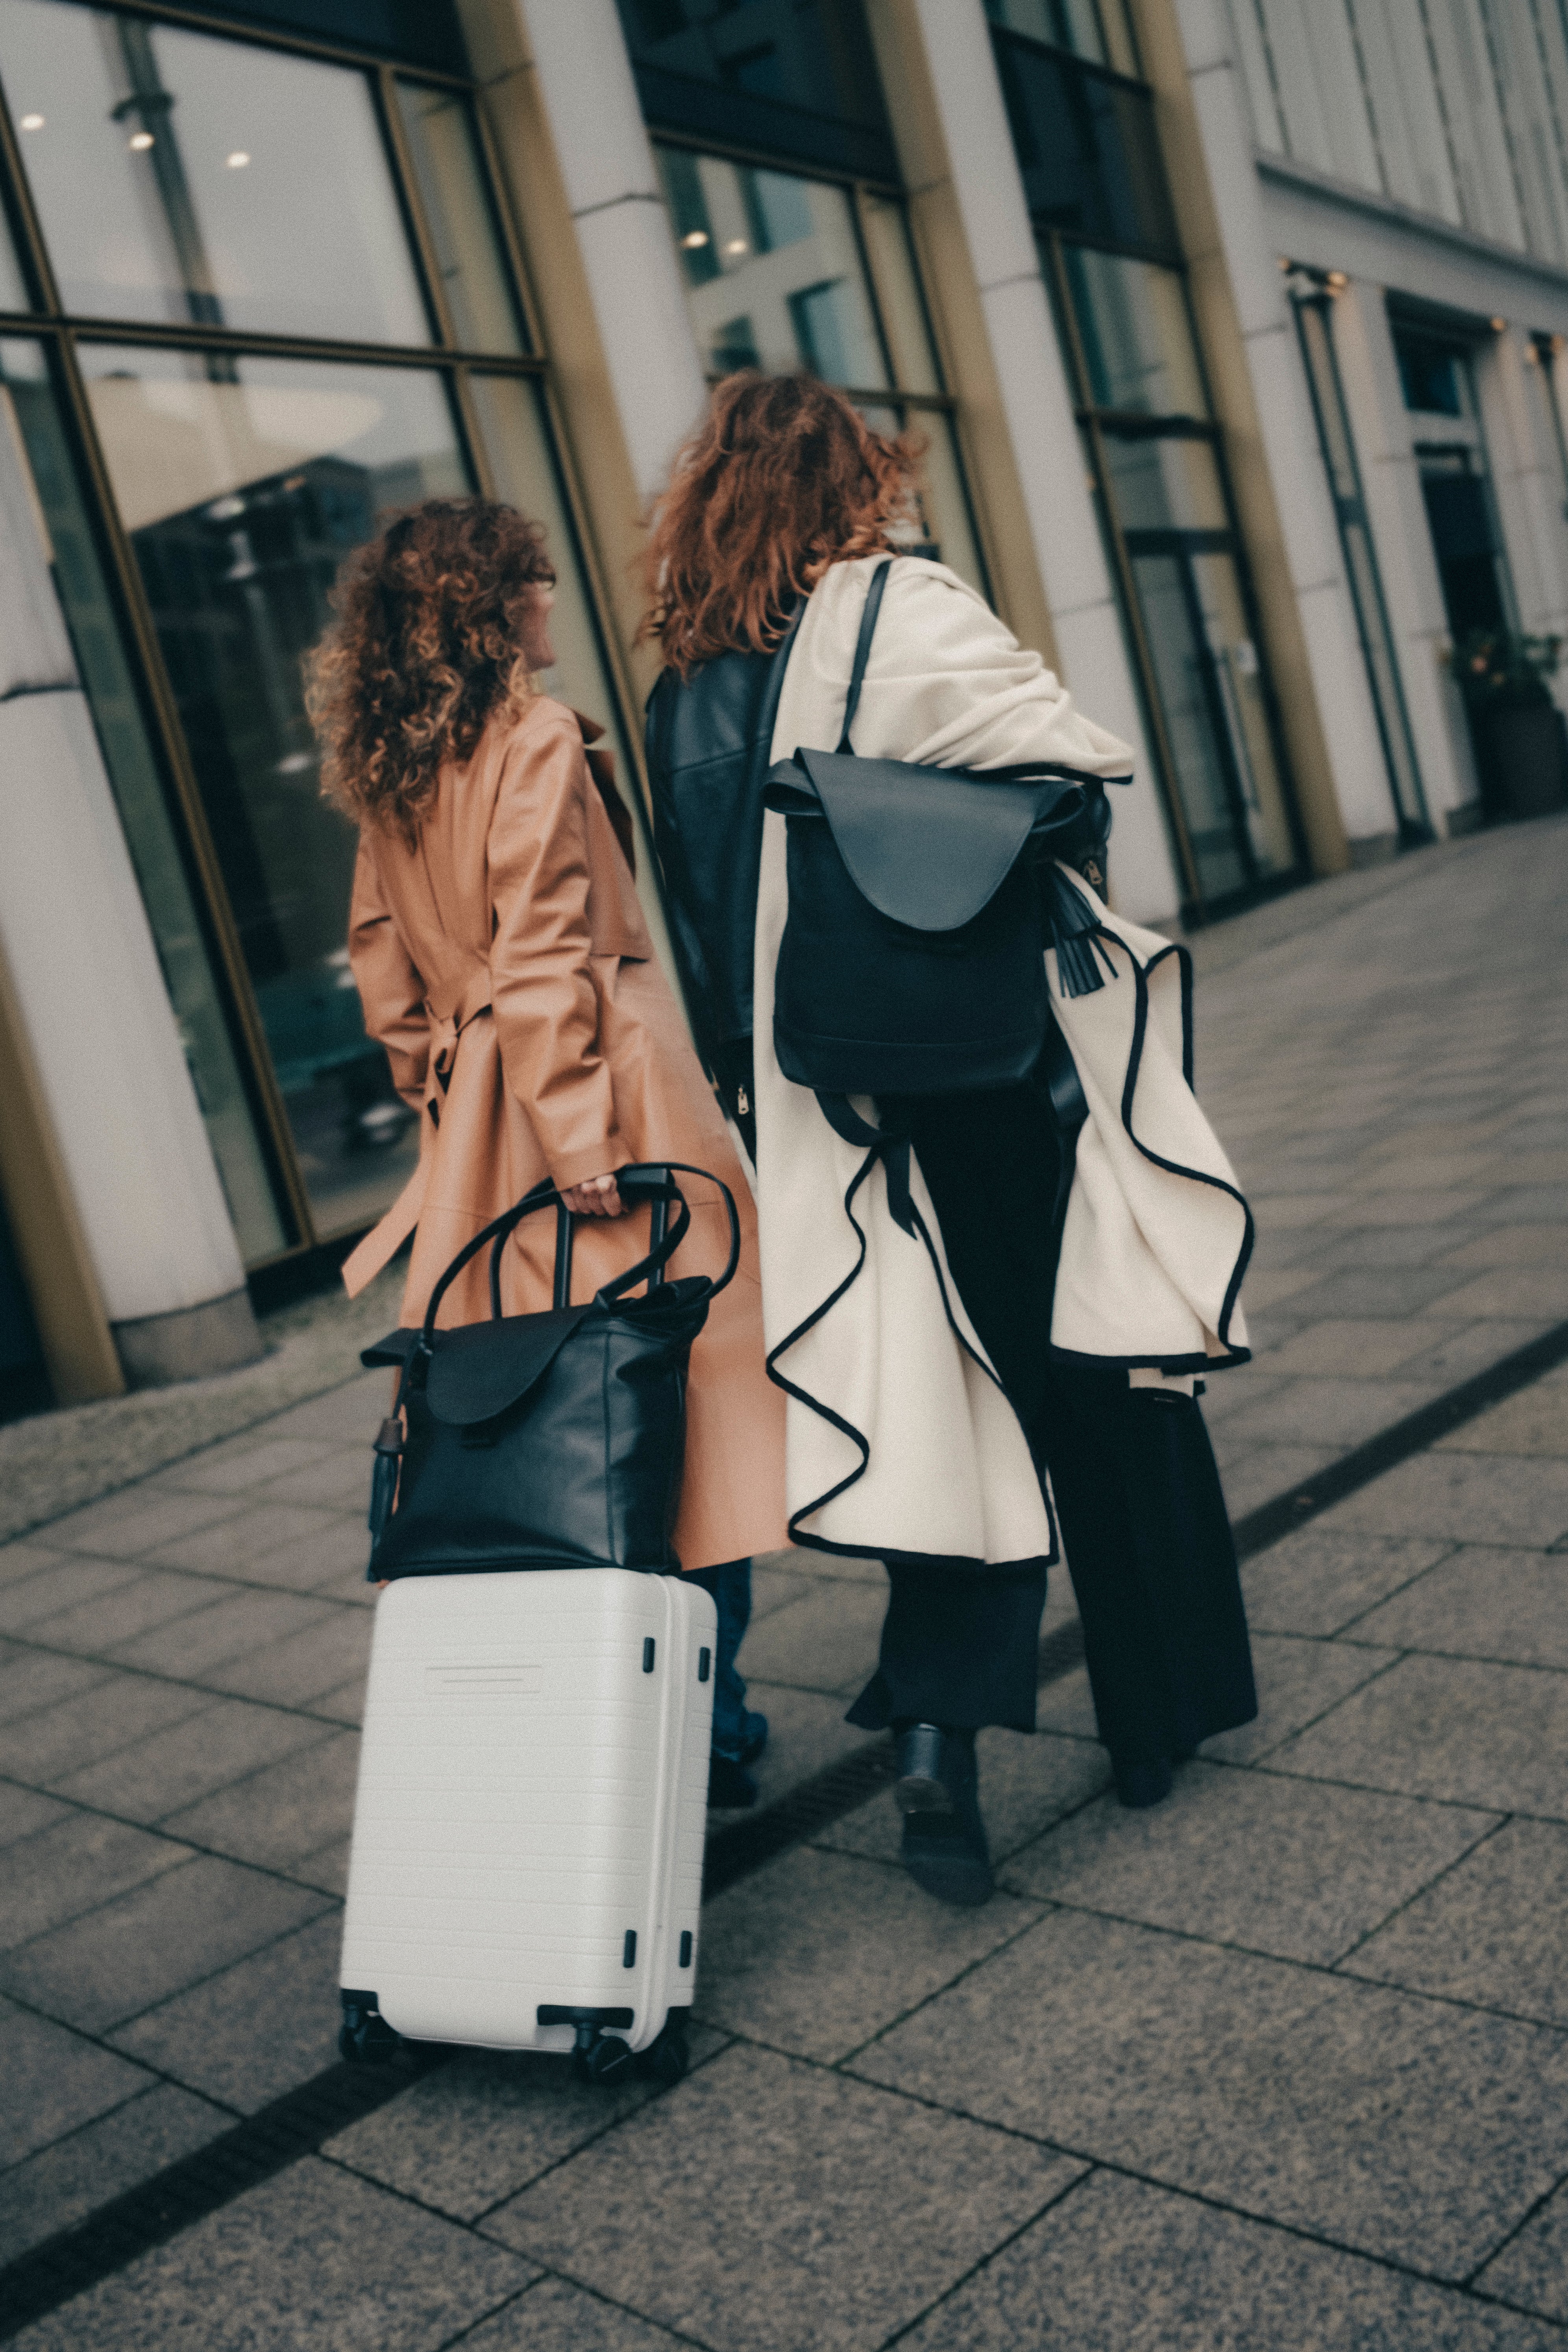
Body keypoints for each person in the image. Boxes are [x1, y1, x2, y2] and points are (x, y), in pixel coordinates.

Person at [642, 374, 1257, 1906]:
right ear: (857, 483)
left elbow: (717, 953)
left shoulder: (685, 694)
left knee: (939, 1413)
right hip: (982, 1076)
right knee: (1093, 1379)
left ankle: (936, 1738)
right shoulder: (906, 609)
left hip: (818, 1108)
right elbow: (1077, 782)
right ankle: (1153, 1721)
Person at [305, 498, 787, 1801]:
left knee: (536, 1421)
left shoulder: (395, 774)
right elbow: (546, 951)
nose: (555, 606)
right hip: (594, 1105)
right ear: (498, 606)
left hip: (481, 1129)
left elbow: (386, 976)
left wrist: (446, 1100)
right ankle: (708, 1722)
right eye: (539, 585)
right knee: (669, 1400)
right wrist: (579, 1135)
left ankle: (616, 1726)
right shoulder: (534, 741)